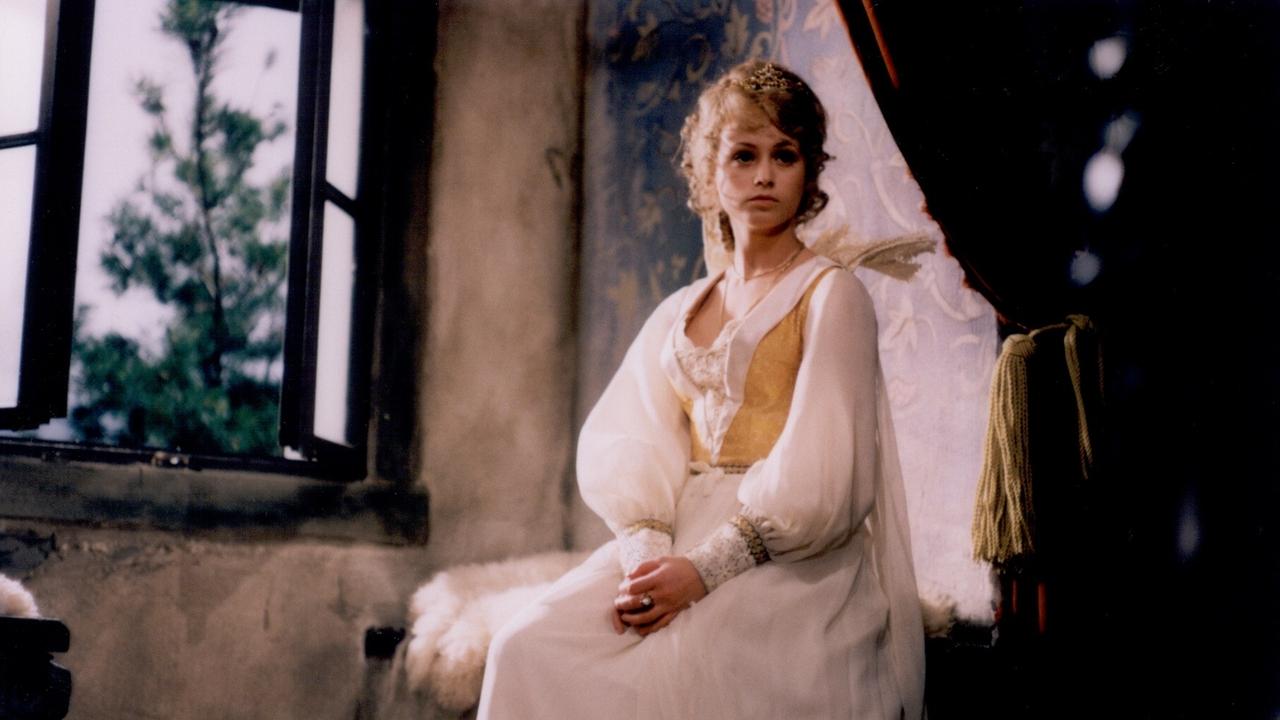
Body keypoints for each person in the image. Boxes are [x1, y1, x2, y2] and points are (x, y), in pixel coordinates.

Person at [477, 60, 925, 720]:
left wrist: (702, 573)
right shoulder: (680, 309)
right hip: (675, 533)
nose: (765, 175)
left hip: (789, 553)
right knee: (524, 646)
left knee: (689, 659)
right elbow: (633, 441)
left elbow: (827, 480)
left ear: (808, 174)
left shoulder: (833, 295)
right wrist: (647, 564)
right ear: (710, 171)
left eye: (785, 155)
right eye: (744, 155)